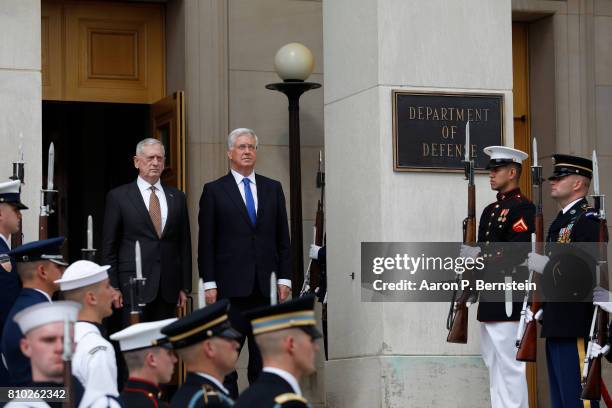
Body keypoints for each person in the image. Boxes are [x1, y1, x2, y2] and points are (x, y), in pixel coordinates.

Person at [198, 127, 292, 396]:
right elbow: (206, 243)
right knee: (227, 359)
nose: (247, 151)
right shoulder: (214, 191)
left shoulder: (273, 189)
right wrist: (209, 283)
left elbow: (282, 239)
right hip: (230, 292)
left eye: (251, 147)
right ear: (229, 153)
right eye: (241, 147)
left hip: (266, 290)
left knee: (263, 363)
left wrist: (285, 278)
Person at [459, 146, 534, 408]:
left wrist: (480, 257)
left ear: (512, 172)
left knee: (510, 367)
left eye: (496, 169)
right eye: (490, 169)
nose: (490, 174)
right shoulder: (490, 211)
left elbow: (516, 252)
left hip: (508, 296)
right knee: (493, 364)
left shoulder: (523, 208)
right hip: (490, 298)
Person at [526, 154, 602, 407]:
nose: (552, 181)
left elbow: (585, 274)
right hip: (557, 320)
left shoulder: (589, 221)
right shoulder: (561, 220)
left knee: (577, 400)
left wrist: (546, 267)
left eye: (560, 177)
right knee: (560, 399)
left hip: (576, 323)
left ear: (578, 184)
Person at [102, 138, 192, 323]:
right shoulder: (119, 197)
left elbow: (184, 244)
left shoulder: (177, 197)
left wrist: (184, 286)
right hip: (132, 286)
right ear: (137, 162)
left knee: (163, 346)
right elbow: (109, 246)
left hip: (168, 288)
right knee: (135, 347)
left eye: (160, 158)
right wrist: (113, 286)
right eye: (150, 158)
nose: (155, 163)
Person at [234, 294, 321, 408]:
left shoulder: (244, 400)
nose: (316, 348)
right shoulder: (290, 404)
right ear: (291, 344)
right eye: (311, 340)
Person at [1, 237, 67, 385]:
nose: (63, 271)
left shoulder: (29, 306)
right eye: (58, 266)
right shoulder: (38, 315)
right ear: (42, 271)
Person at [56, 260, 120, 407]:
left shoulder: (56, 343)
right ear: (91, 298)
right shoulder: (98, 348)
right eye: (108, 286)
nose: (113, 293)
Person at [161, 299, 241, 408]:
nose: (236, 345)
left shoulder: (197, 396)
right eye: (229, 339)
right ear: (209, 348)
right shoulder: (208, 402)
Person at [5, 301, 84, 408]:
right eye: (49, 340)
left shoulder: (96, 400)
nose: (60, 348)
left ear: (75, 346)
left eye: (67, 340)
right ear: (26, 347)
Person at [110, 318, 178, 408]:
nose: (175, 360)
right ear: (151, 359)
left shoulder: (114, 404)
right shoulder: (155, 405)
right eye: (169, 353)